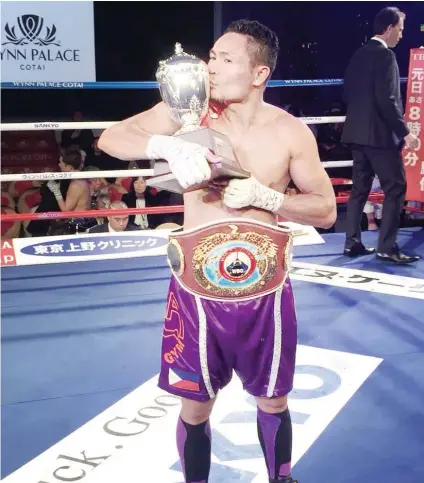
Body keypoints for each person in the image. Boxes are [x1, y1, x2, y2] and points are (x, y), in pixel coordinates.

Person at [99, 19, 336, 483]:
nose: (210, 67)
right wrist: (162, 142)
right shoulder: (188, 112)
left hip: (263, 291)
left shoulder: (290, 132)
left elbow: (326, 210)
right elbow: (111, 138)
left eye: (225, 59)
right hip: (196, 290)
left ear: (258, 73)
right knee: (195, 403)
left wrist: (269, 198)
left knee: (273, 399)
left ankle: (280, 477)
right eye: (211, 57)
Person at [342, 6, 419, 263]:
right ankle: (387, 246)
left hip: (356, 133)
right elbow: (388, 100)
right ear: (388, 29)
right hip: (379, 136)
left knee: (359, 190)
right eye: (400, 29)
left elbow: (348, 94)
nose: (401, 34)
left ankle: (352, 242)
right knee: (396, 187)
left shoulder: (357, 55)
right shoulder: (385, 57)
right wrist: (405, 132)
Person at [27, 145, 90, 236]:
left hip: (77, 224)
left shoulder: (75, 184)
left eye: (61, 162)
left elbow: (65, 210)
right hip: (79, 222)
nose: (59, 164)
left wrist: (56, 190)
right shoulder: (80, 180)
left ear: (69, 167)